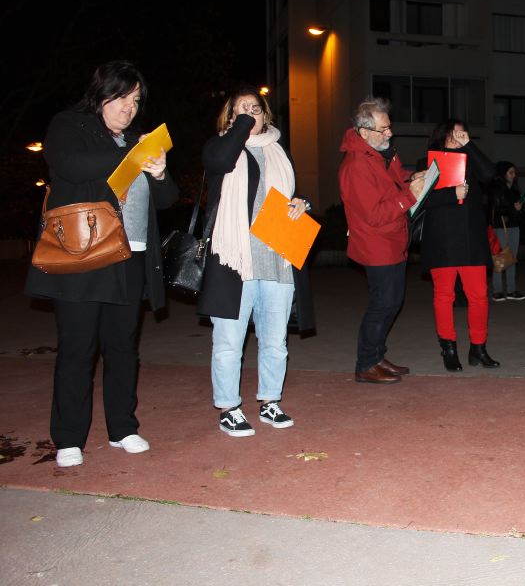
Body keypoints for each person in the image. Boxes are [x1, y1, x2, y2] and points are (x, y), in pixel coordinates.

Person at [24, 60, 179, 467]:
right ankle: (69, 437)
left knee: (123, 346)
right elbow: (70, 167)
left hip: (133, 254)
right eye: (122, 97)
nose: (129, 107)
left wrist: (160, 173)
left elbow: (167, 200)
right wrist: (131, 151)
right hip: (84, 254)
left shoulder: (133, 140)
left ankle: (123, 427)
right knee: (78, 347)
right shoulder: (70, 125)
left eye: (135, 100)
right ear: (101, 93)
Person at [198, 86, 315, 437]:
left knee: (275, 340)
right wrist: (240, 129)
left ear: (267, 116)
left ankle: (270, 401)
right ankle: (229, 407)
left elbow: (285, 197)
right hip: (234, 261)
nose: (251, 113)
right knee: (229, 342)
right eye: (241, 109)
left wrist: (300, 204)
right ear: (231, 117)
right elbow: (218, 162)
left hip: (277, 257)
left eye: (256, 108)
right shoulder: (220, 146)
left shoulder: (280, 152)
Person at [338, 97, 426, 383]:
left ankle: (376, 356)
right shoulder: (356, 166)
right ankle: (366, 364)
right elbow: (375, 214)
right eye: (383, 129)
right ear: (364, 132)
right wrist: (412, 194)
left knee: (392, 301)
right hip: (377, 245)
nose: (390, 133)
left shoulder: (382, 153)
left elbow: (396, 178)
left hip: (393, 241)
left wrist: (415, 176)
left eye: (390, 127)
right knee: (383, 304)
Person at [420, 119, 500, 371]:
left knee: (478, 297)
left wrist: (470, 146)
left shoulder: (472, 160)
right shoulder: (429, 162)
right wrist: (451, 194)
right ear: (442, 135)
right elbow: (421, 199)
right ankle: (449, 348)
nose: (458, 137)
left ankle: (479, 347)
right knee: (444, 296)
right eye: (454, 133)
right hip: (441, 239)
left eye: (463, 133)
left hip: (471, 240)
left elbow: (489, 174)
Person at [490, 161, 525, 302]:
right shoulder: (497, 189)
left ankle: (511, 290)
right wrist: (514, 208)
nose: (514, 175)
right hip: (501, 227)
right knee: (500, 258)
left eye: (514, 172)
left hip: (514, 226)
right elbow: (497, 209)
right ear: (503, 173)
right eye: (510, 172)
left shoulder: (514, 189)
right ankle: (498, 291)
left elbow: (519, 209)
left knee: (512, 258)